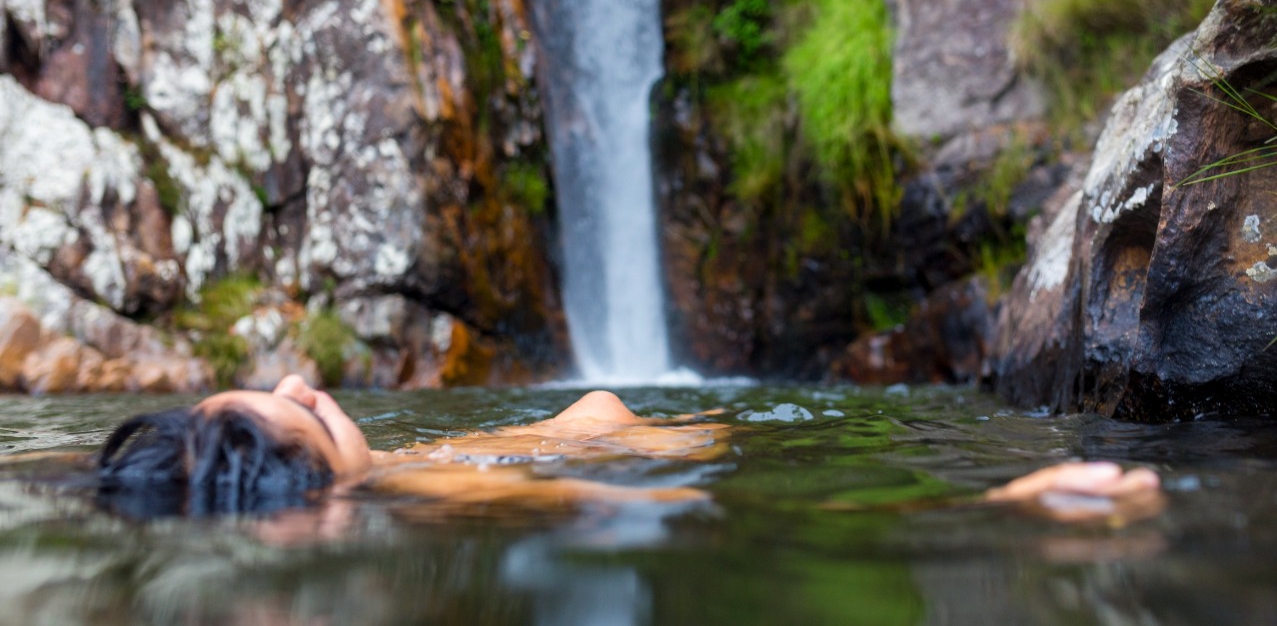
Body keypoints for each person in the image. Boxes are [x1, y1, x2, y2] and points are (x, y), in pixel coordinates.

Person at [96, 375, 1162, 521]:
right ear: (311, 487)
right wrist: (1001, 502)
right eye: (312, 408)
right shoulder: (427, 492)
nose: (300, 380)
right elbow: (692, 510)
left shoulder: (395, 473)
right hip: (698, 445)